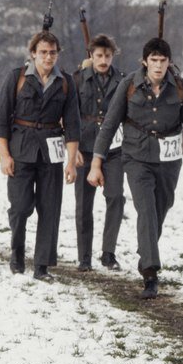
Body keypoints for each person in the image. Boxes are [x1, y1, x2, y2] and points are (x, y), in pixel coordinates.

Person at [87, 37, 183, 299]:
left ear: (169, 63)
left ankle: (146, 253)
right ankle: (151, 274)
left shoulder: (180, 88)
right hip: (136, 157)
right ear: (144, 61)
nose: (158, 65)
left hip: (169, 160)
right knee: (146, 210)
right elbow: (109, 125)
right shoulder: (129, 85)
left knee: (160, 209)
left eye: (163, 61)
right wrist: (96, 162)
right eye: (153, 60)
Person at [0, 30, 80, 281]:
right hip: (20, 151)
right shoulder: (17, 78)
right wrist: (4, 155)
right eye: (43, 52)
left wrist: (71, 162)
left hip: (51, 154)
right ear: (33, 54)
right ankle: (17, 252)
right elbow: (0, 121)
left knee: (49, 209)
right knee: (20, 208)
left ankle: (42, 265)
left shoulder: (65, 82)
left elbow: (73, 126)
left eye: (53, 52)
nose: (48, 57)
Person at [73, 34, 126, 272]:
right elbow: (69, 116)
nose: (103, 60)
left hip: (114, 148)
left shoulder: (124, 81)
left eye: (107, 56)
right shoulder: (77, 80)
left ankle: (108, 253)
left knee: (115, 198)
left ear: (113, 56)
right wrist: (72, 149)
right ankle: (84, 257)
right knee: (84, 204)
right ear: (91, 56)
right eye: (98, 56)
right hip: (85, 146)